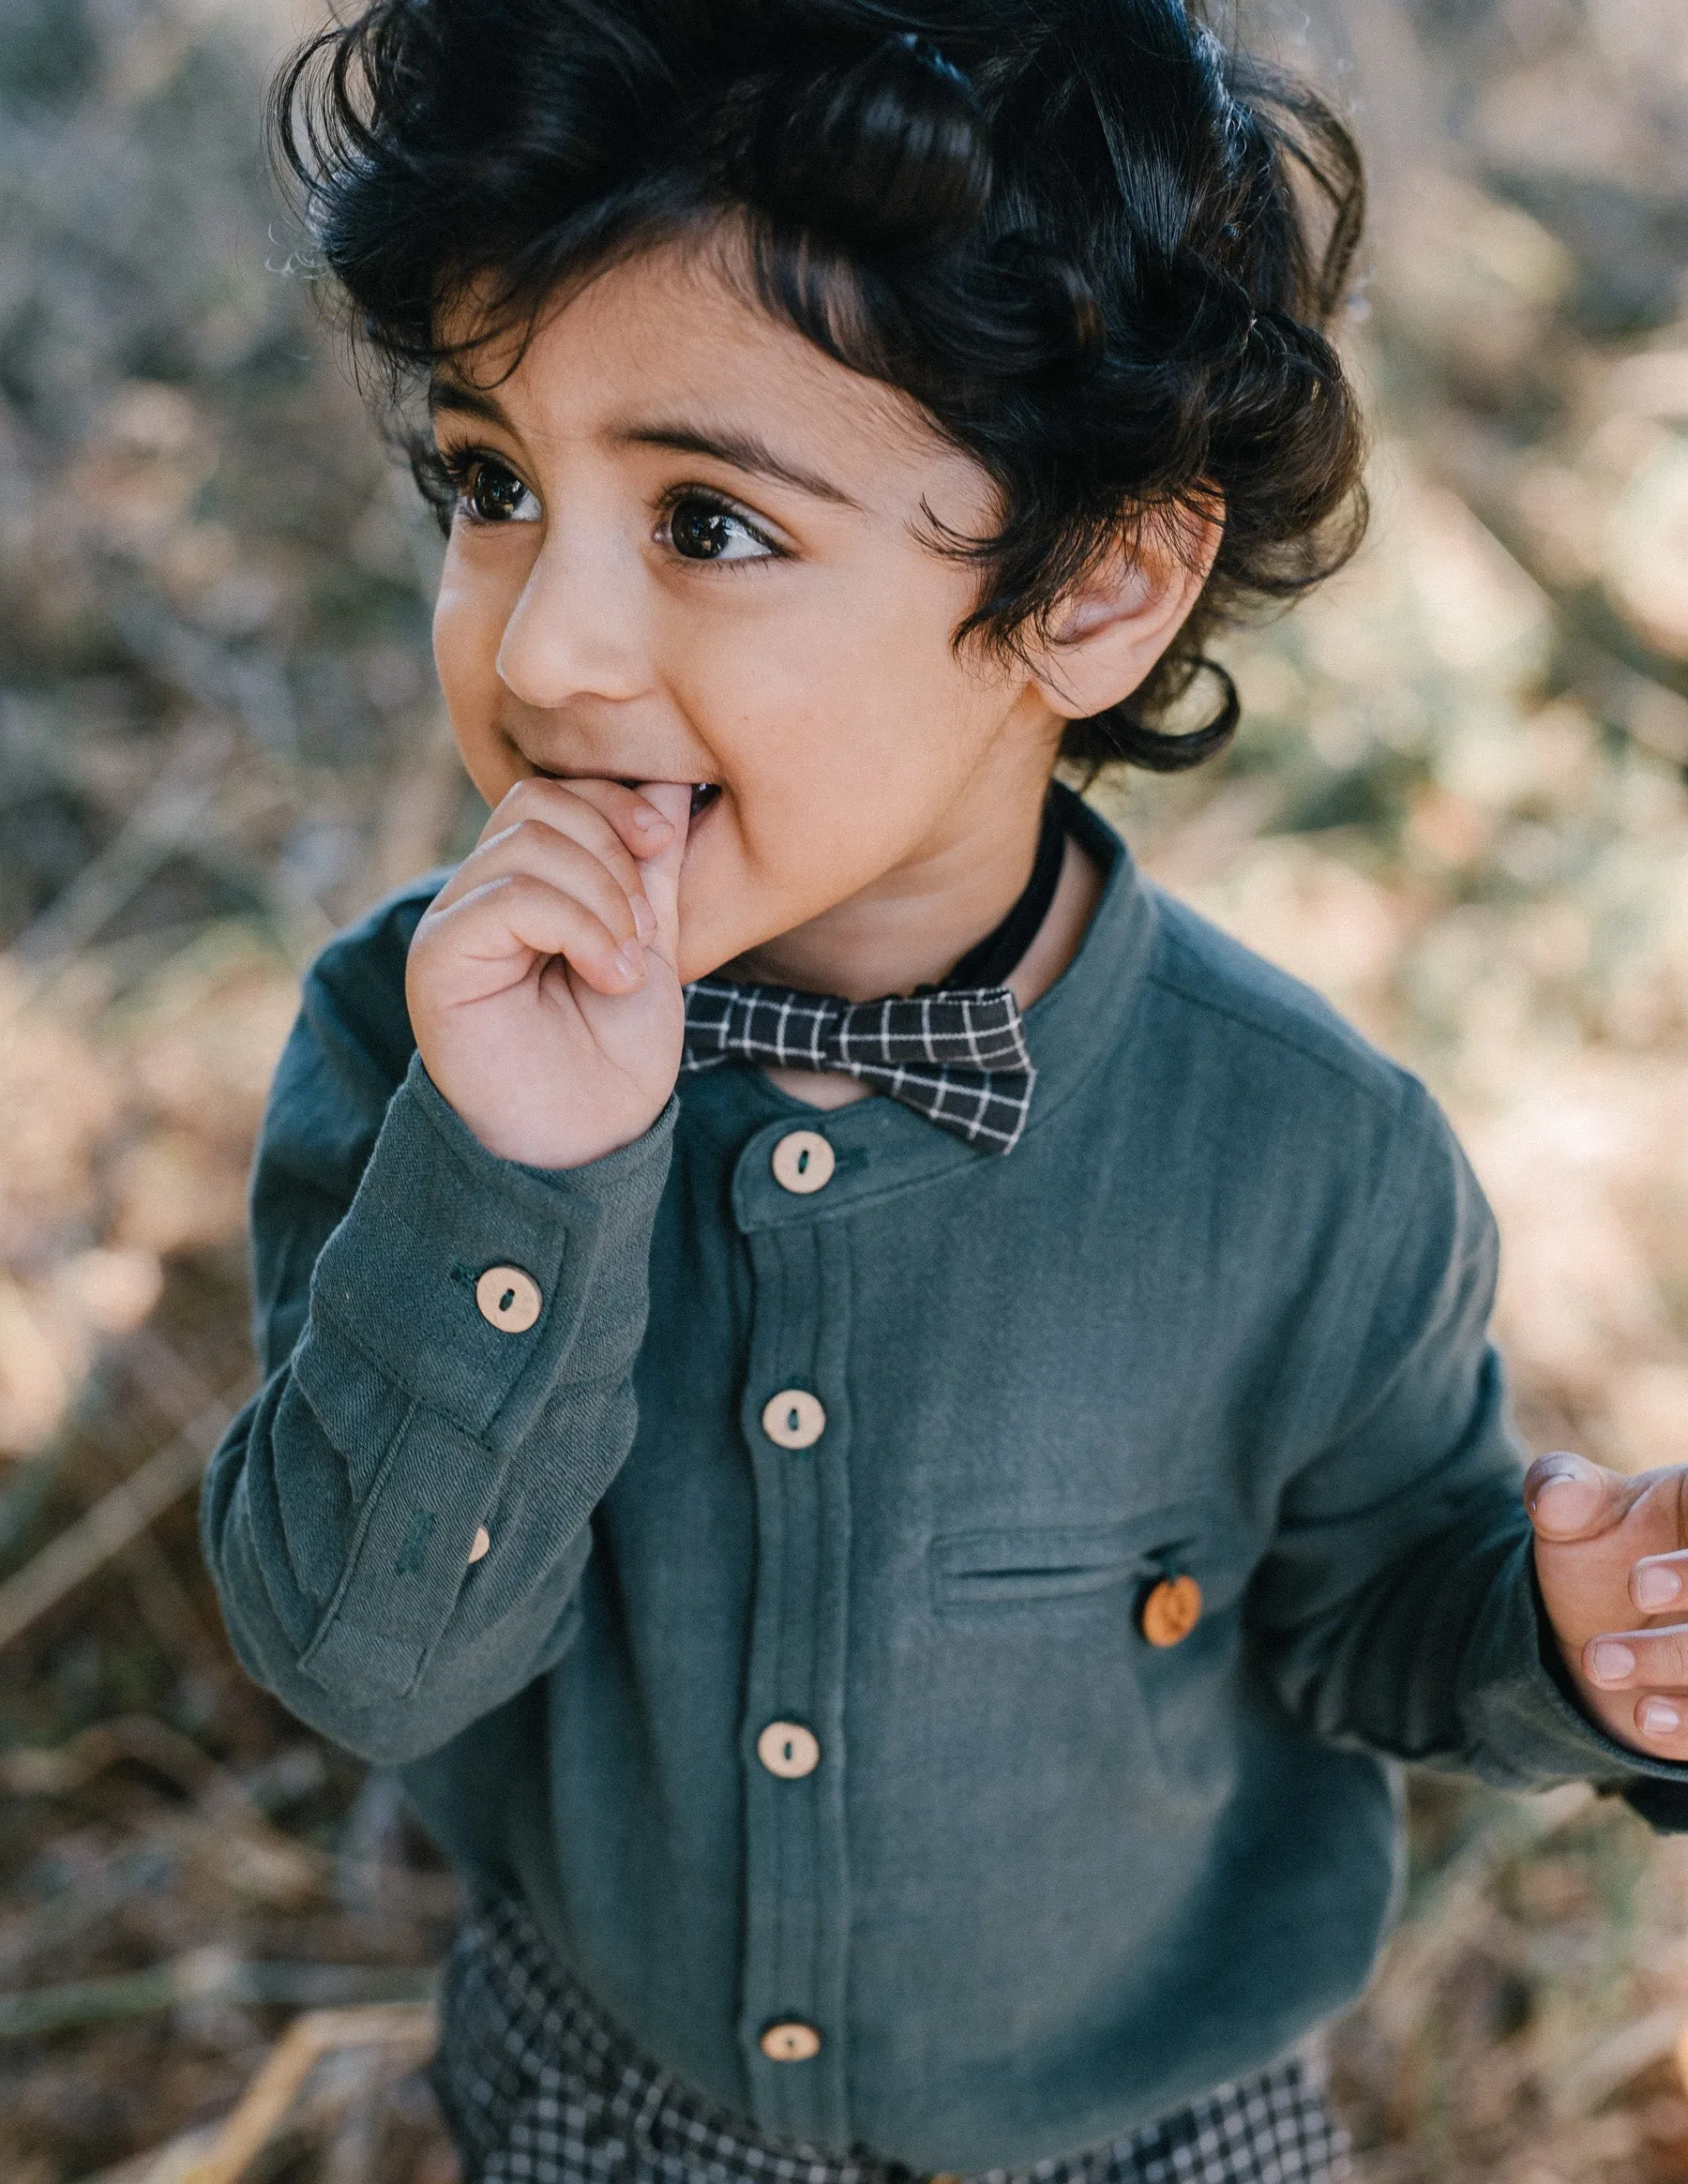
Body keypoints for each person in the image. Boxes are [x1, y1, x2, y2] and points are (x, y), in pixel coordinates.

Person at [201, 5, 1688, 2180]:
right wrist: (517, 1165)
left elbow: (1374, 1608)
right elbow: (359, 1662)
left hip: (1146, 2127)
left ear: (1096, 584)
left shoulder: (1307, 1157)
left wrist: (1555, 1633)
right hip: (613, 2098)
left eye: (707, 522)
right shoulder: (407, 1040)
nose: (540, 652)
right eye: (493, 484)